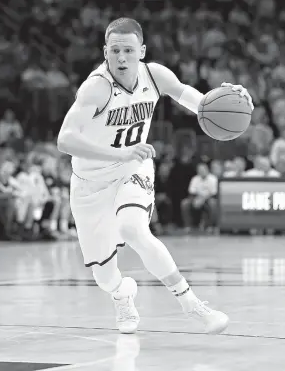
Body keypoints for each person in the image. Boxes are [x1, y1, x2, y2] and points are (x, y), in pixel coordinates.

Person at [57, 18, 254, 335]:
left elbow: (197, 101)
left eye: (129, 50)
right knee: (105, 277)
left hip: (133, 167)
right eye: (115, 50)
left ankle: (194, 306)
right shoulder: (96, 87)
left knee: (133, 228)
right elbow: (65, 139)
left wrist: (232, 100)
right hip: (90, 183)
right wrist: (119, 154)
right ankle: (123, 295)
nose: (122, 58)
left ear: (142, 51)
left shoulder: (155, 75)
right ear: (105, 52)